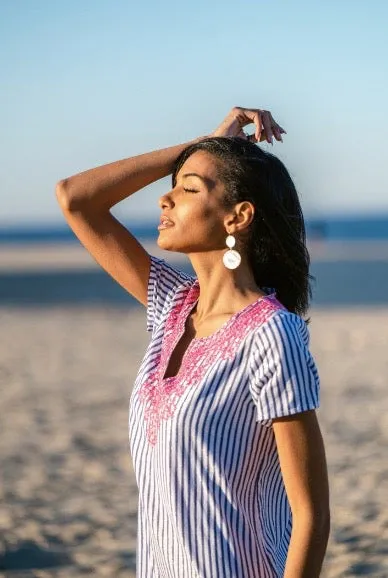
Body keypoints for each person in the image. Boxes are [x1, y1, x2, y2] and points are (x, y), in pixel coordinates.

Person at [56, 106, 330, 577]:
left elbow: (311, 515)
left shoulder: (272, 333)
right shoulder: (172, 307)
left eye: (188, 189)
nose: (166, 199)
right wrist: (199, 148)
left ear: (238, 216)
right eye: (173, 185)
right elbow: (76, 199)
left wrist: (203, 154)